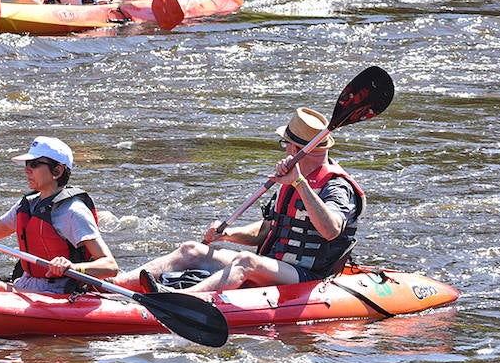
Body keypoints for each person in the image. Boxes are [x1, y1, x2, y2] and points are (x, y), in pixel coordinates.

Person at [113, 108, 364, 294]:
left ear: (295, 148)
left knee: (246, 261)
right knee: (192, 249)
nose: (285, 148)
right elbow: (267, 229)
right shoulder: (292, 178)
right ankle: (115, 284)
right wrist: (228, 234)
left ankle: (179, 298)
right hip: (275, 266)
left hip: (308, 276)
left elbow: (331, 231)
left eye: (286, 143)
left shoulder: (336, 186)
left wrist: (299, 183)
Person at [0, 136, 119, 293]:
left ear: (57, 171)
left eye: (35, 164)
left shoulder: (73, 212)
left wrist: (72, 267)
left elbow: (110, 266)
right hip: (28, 283)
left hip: (57, 292)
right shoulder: (29, 205)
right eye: (27, 164)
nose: (26, 170)